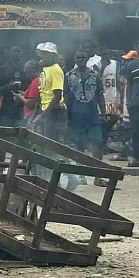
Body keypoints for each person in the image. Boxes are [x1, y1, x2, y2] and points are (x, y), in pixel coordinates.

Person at [66, 50, 106, 190]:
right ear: (74, 59)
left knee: (97, 143)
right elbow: (67, 97)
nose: (81, 59)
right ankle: (81, 174)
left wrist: (103, 113)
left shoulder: (95, 75)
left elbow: (100, 95)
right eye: (78, 57)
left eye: (83, 57)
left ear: (87, 59)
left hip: (92, 115)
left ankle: (98, 175)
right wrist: (67, 116)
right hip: (76, 116)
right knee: (79, 146)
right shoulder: (69, 76)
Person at [30, 43, 66, 165]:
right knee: (45, 145)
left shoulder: (56, 70)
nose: (43, 58)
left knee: (53, 146)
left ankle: (66, 178)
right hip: (46, 111)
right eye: (42, 55)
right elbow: (42, 93)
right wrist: (35, 116)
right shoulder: (45, 69)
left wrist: (42, 116)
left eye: (46, 55)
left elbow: (57, 95)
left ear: (53, 57)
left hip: (55, 112)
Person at [15, 60, 42, 128]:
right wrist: (25, 94)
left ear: (32, 71)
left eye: (28, 73)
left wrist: (20, 97)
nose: (27, 76)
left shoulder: (36, 81)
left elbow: (30, 103)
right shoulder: (42, 79)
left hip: (31, 116)